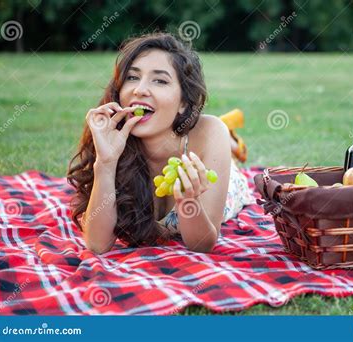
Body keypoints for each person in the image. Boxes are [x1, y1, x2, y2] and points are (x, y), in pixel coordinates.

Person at [67, 32, 255, 254]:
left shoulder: (211, 133)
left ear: (183, 103)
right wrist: (106, 163)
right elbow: (98, 245)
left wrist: (188, 201)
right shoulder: (112, 138)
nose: (140, 89)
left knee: (221, 136)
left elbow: (202, 244)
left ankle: (231, 142)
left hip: (214, 164)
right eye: (132, 77)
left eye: (160, 80)